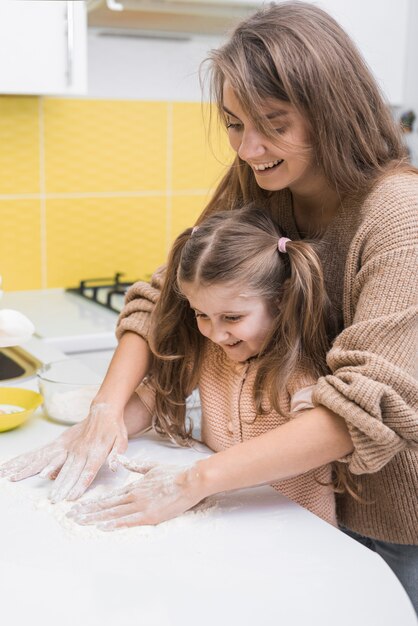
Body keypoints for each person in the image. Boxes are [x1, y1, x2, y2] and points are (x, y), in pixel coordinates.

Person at [1, 0, 417, 609]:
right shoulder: (261, 179)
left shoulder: (400, 215)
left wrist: (192, 482)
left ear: (331, 110)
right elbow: (163, 295)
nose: (248, 149)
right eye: (232, 123)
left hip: (388, 514)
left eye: (273, 123)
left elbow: (365, 408)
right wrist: (107, 411)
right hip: (284, 493)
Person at [69, 206, 340, 528]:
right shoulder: (211, 352)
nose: (216, 333)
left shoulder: (298, 368)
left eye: (233, 317)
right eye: (201, 314)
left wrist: (190, 481)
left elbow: (311, 443)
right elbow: (153, 395)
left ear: (280, 299)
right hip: (229, 519)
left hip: (296, 527)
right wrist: (90, 436)